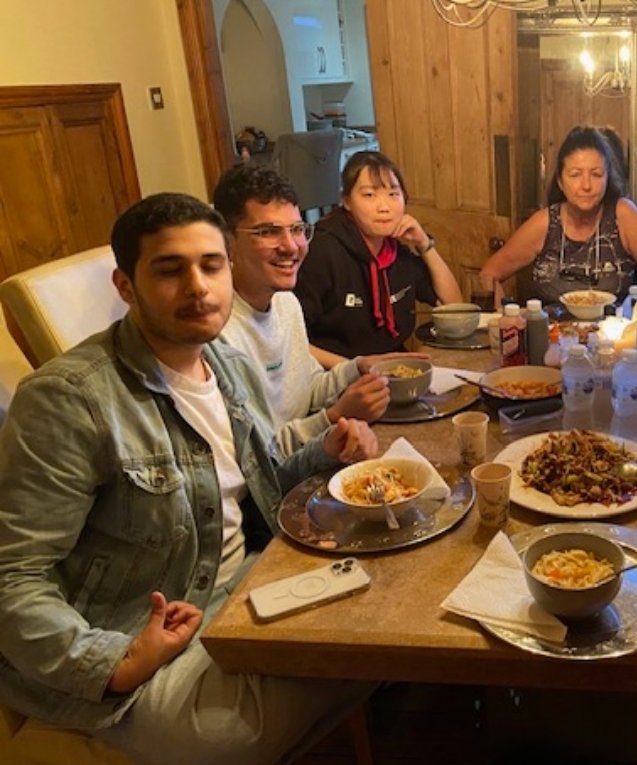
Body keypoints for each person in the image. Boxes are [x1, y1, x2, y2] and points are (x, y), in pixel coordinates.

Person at [0, 194, 378, 765]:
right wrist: (117, 662)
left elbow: (258, 482)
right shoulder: (68, 400)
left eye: (211, 265)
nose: (198, 287)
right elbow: (13, 575)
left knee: (386, 625)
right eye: (169, 270)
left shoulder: (227, 363)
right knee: (233, 733)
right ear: (126, 286)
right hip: (140, 641)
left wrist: (325, 449)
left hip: (247, 587)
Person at [213, 164, 427, 453]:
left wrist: (358, 367)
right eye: (268, 232)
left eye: (297, 229)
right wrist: (335, 415)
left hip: (312, 452)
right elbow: (257, 456)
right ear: (227, 241)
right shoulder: (219, 335)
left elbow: (308, 389)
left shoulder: (285, 302)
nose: (291, 246)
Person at [296, 151, 463, 364]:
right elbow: (292, 340)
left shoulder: (396, 251)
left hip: (392, 367)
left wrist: (424, 244)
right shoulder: (322, 251)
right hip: (335, 372)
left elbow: (455, 308)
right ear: (347, 201)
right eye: (369, 195)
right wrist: (355, 369)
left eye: (393, 194)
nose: (384, 207)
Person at [479, 125, 637, 305]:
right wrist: (502, 316)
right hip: (551, 331)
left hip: (615, 331)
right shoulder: (544, 223)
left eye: (596, 174)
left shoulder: (624, 215)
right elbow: (489, 274)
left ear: (608, 178)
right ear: (560, 181)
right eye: (575, 174)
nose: (586, 185)